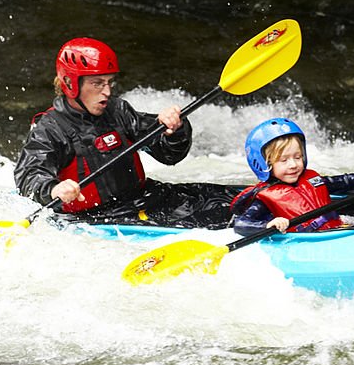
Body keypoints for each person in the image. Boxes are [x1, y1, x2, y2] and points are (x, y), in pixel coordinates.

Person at [13, 37, 241, 228]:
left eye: (110, 82)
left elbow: (169, 155)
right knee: (221, 219)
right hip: (99, 218)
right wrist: (53, 189)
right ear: (70, 84)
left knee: (235, 199)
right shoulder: (50, 129)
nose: (107, 91)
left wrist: (174, 131)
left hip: (144, 197)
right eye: (97, 83)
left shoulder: (118, 111)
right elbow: (29, 175)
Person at [231, 117, 354, 236]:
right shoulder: (264, 200)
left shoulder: (312, 180)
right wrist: (268, 225)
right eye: (284, 160)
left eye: (297, 157)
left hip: (337, 229)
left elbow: (347, 180)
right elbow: (241, 224)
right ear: (264, 164)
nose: (293, 165)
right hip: (306, 241)